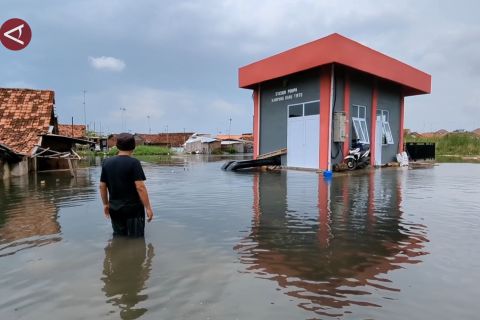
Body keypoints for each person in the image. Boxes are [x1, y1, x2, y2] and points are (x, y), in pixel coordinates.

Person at [99, 133, 154, 237]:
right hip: (133, 210)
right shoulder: (134, 163)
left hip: (114, 209)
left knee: (119, 237)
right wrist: (148, 208)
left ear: (117, 146)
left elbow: (102, 186)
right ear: (134, 146)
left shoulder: (106, 162)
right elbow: (140, 187)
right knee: (136, 239)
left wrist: (106, 204)